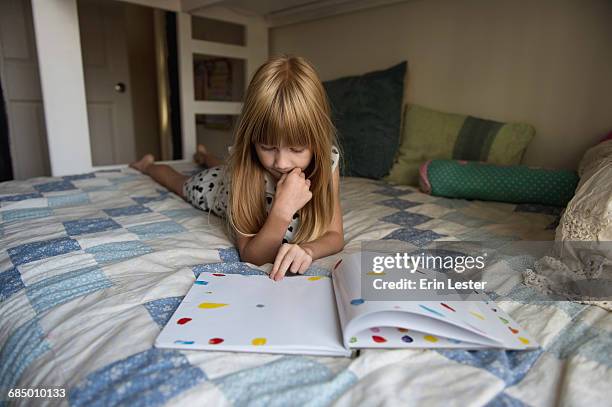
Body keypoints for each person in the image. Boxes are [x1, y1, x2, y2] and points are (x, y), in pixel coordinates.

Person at [130, 55, 344, 281]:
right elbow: (252, 256)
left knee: (224, 165)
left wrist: (309, 250)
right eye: (267, 147)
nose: (281, 163)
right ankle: (148, 165)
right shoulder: (244, 168)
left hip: (231, 169)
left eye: (297, 149)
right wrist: (282, 210)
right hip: (220, 187)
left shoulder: (326, 164)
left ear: (317, 142)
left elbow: (335, 235)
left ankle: (204, 155)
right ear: (252, 141)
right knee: (182, 183)